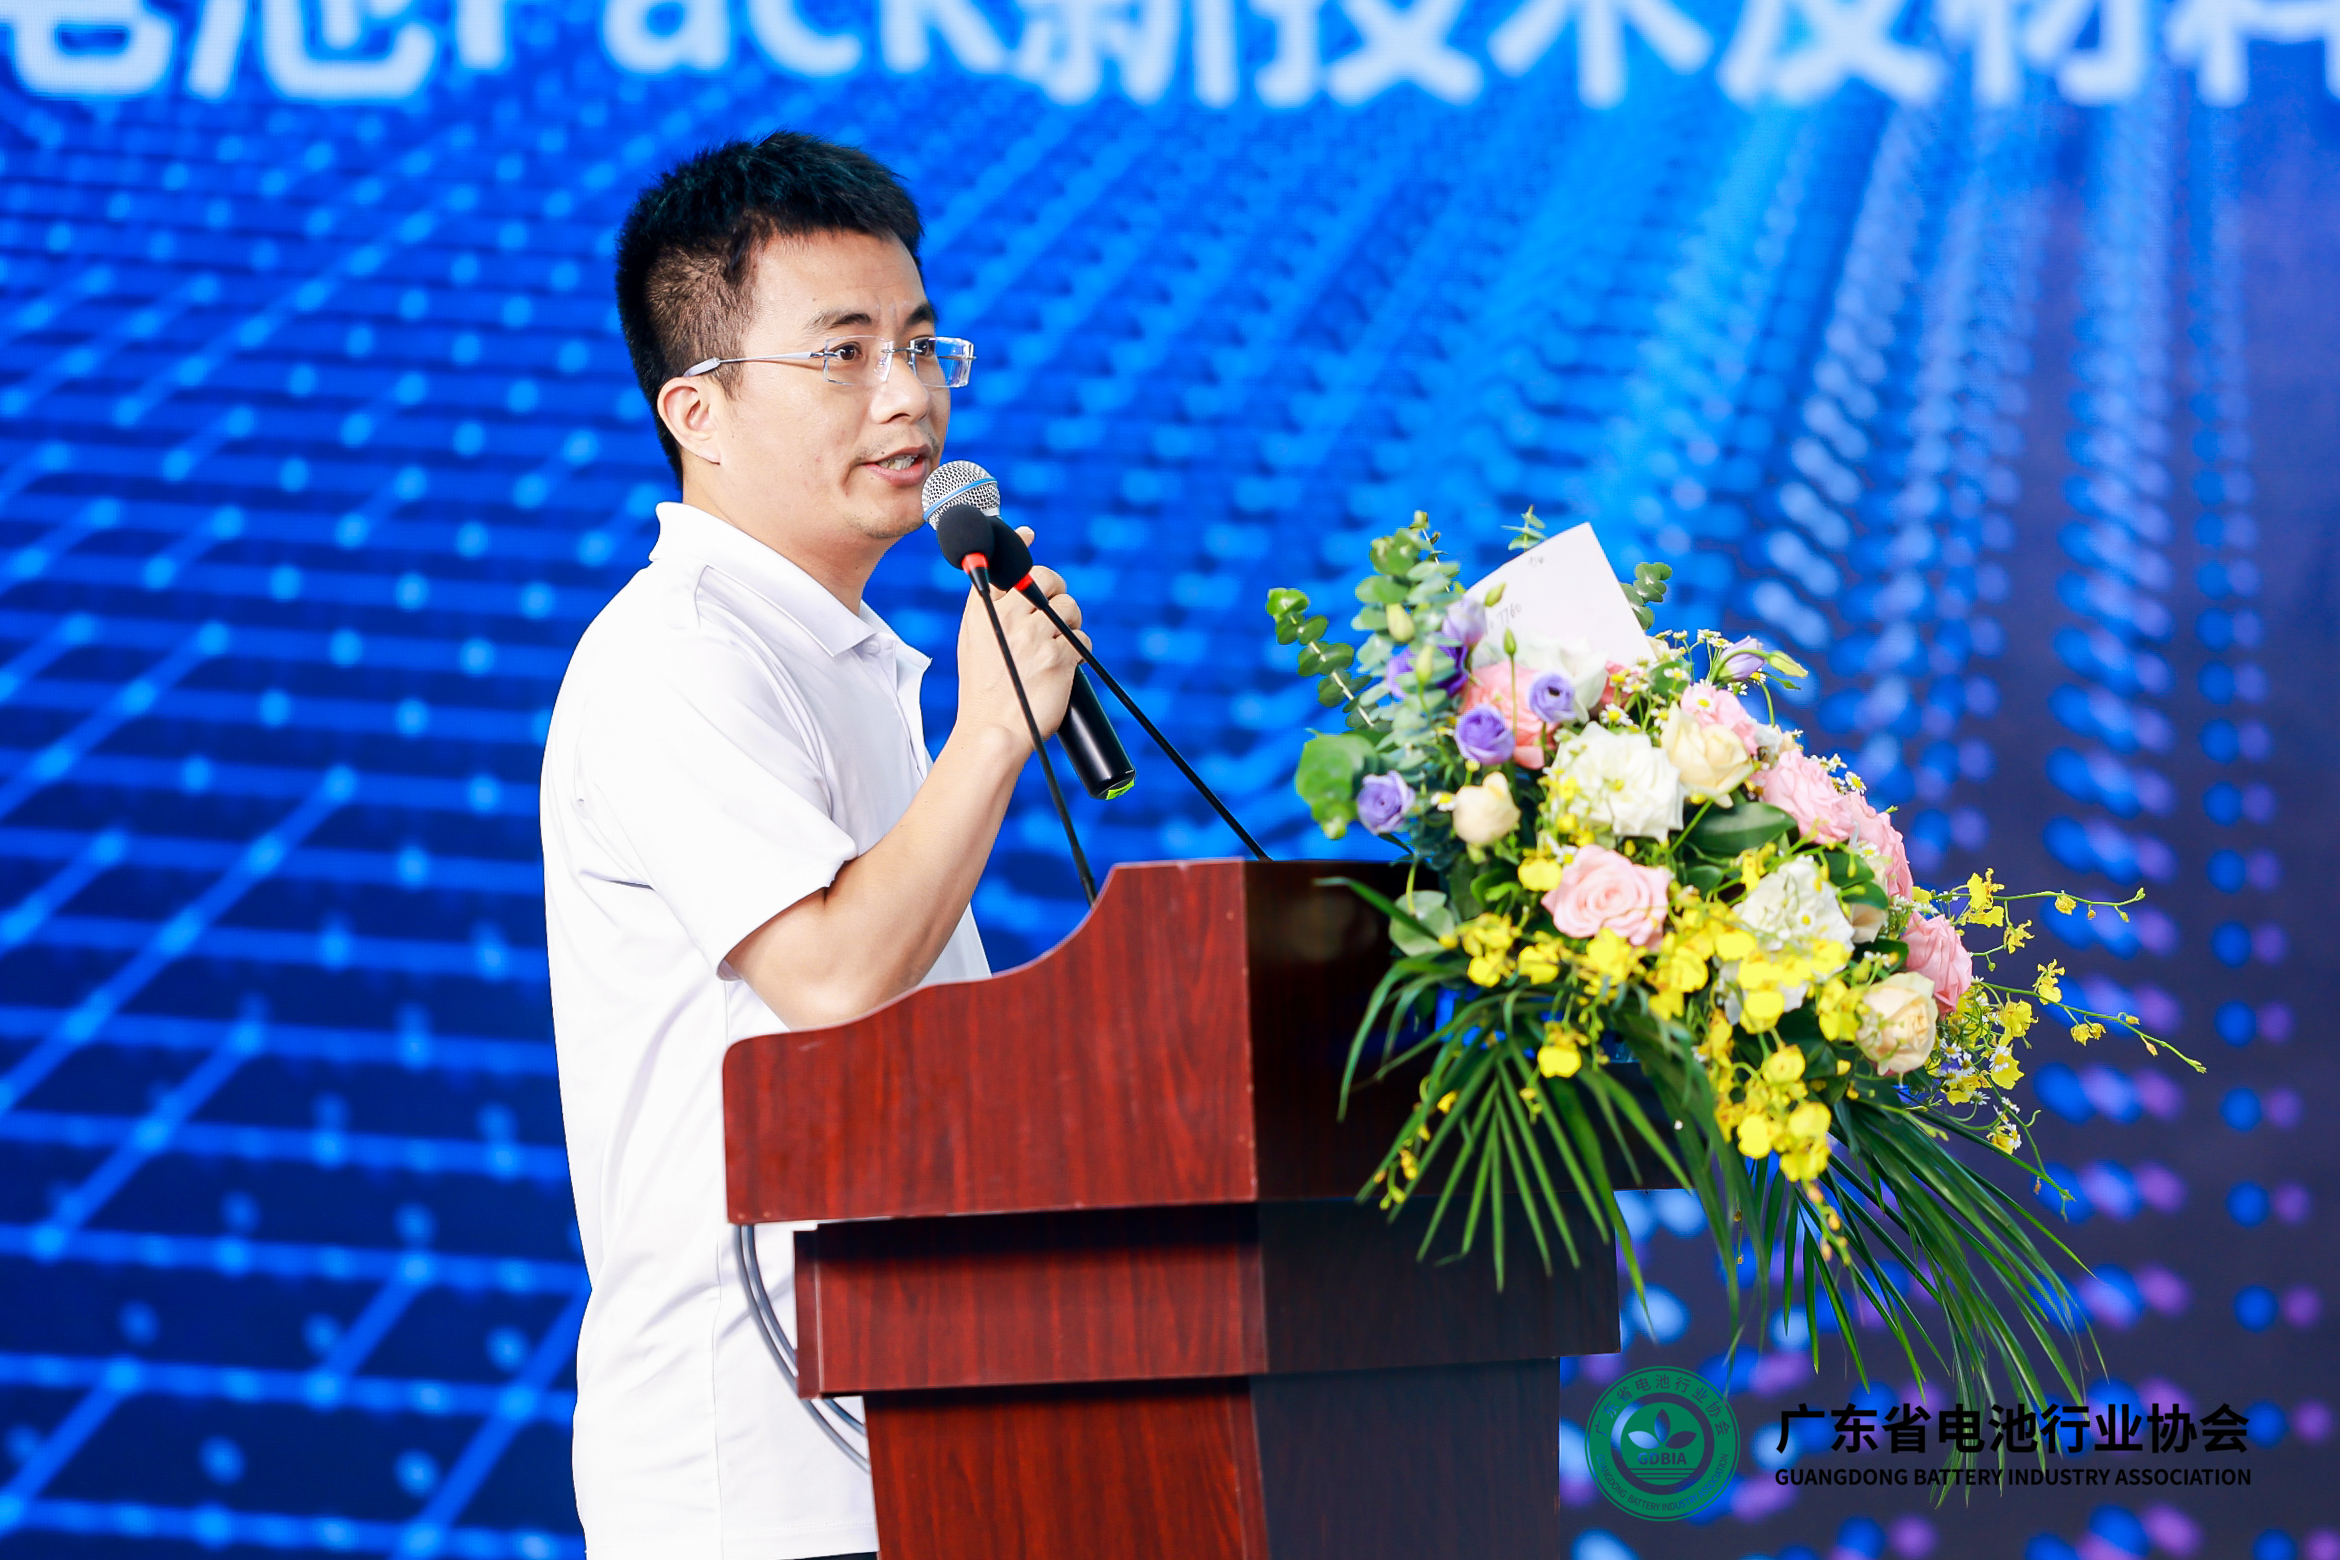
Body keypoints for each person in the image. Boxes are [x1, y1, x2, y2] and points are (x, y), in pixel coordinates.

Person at [539, 131, 1084, 1560]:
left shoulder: (839, 652)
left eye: (919, 343)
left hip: (924, 1430)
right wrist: (991, 739)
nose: (909, 395)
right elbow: (834, 981)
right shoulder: (671, 656)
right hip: (758, 1477)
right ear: (698, 410)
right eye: (843, 355)